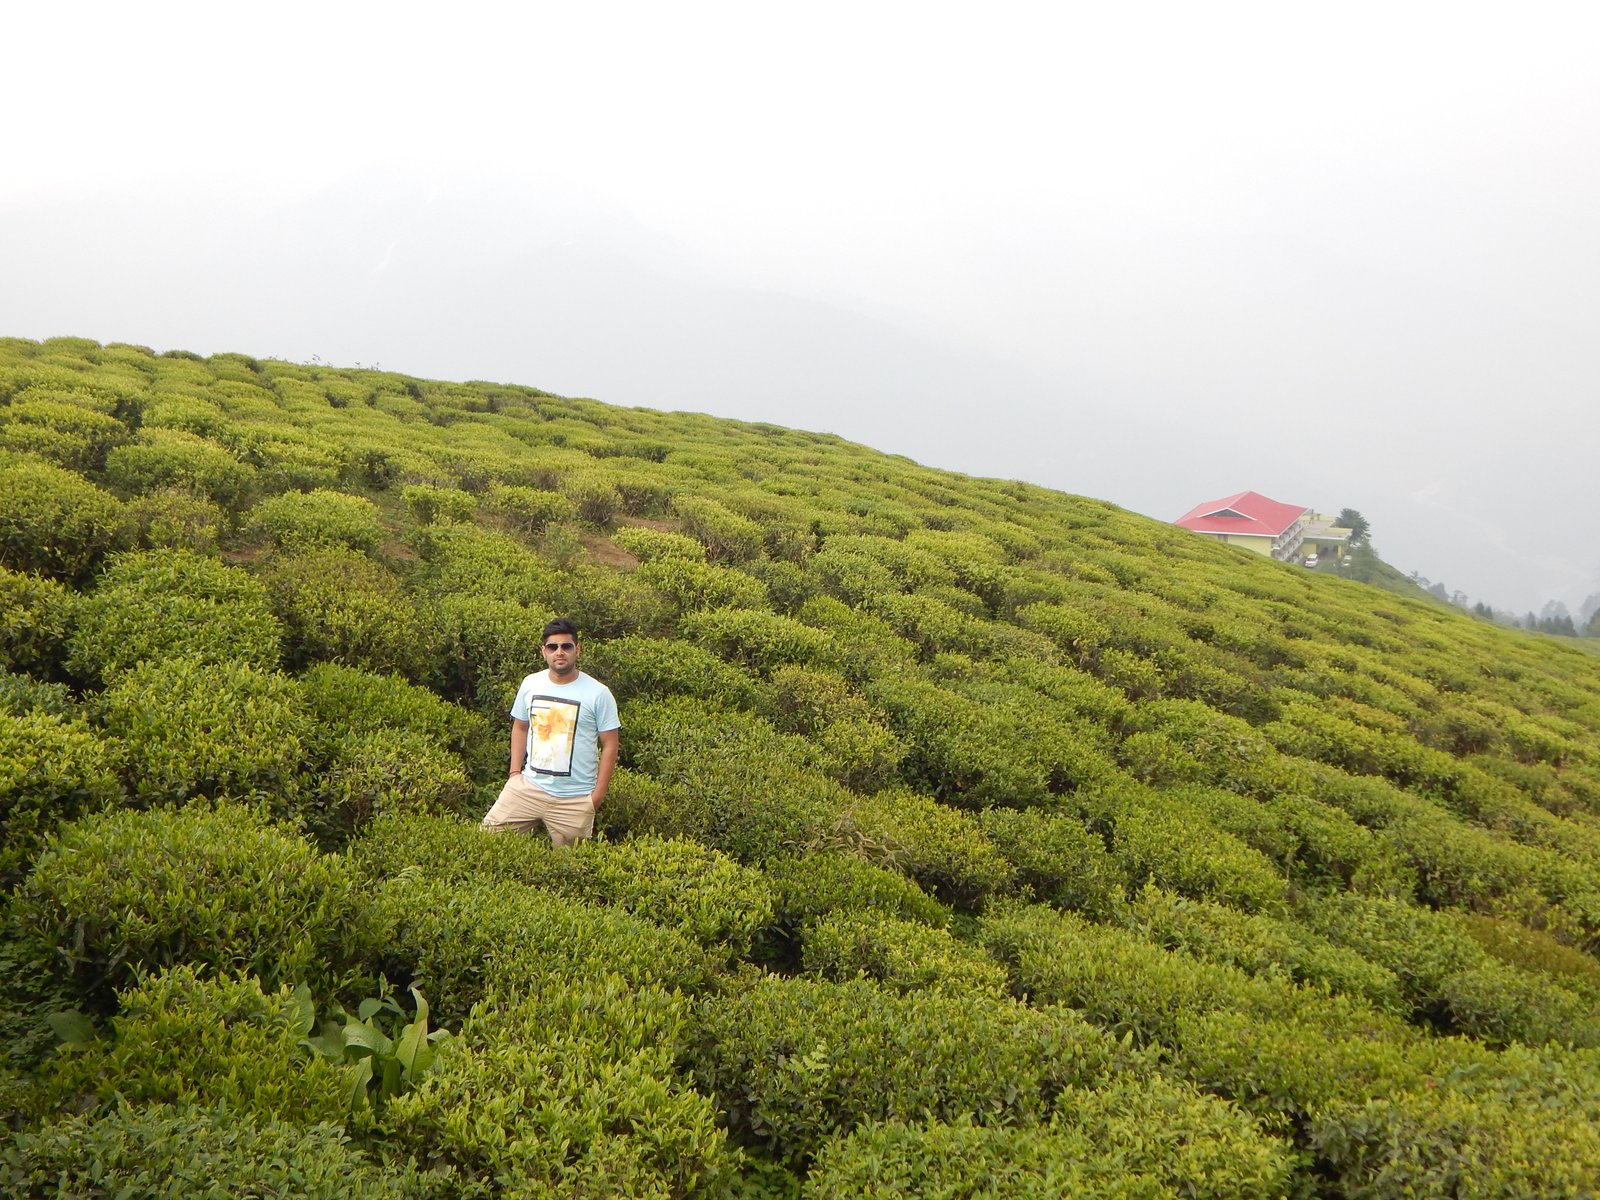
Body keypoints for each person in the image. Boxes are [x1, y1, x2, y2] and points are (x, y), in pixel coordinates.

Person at [480, 617, 620, 847]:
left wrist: (596, 798)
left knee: (570, 869)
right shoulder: (530, 684)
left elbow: (610, 745)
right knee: (485, 844)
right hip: (528, 788)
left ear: (578, 650)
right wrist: (515, 773)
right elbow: (520, 726)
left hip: (575, 800)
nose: (560, 652)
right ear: (543, 651)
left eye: (566, 646)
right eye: (553, 647)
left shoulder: (599, 694)